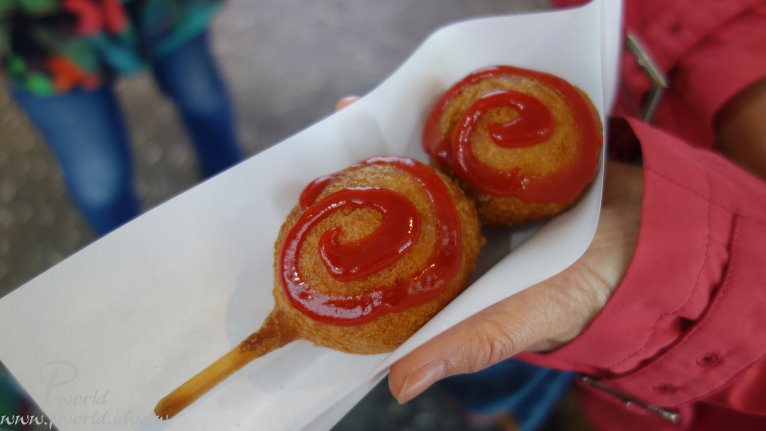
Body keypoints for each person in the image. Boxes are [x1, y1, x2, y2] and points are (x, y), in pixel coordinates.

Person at [382, 1, 766, 430]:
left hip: (664, 377)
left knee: (517, 355)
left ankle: (508, 408)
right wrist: (731, 62)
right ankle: (500, 406)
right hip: (639, 130)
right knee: (505, 354)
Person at [1, 0, 242, 236]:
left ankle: (234, 194)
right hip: (36, 35)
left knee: (203, 99)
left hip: (166, 12)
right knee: (99, 177)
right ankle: (126, 250)